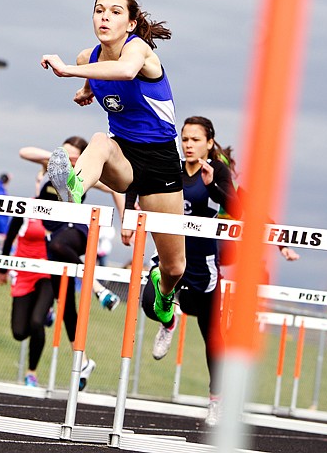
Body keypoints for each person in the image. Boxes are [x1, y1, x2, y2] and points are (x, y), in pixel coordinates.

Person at [41, 0, 185, 331]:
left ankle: (164, 297)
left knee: (175, 267)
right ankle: (74, 189)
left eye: (116, 11)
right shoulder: (85, 57)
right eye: (99, 10)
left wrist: (71, 76)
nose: (105, 16)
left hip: (161, 160)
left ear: (132, 23)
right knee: (99, 140)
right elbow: (99, 77)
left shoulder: (139, 50)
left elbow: (124, 72)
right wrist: (87, 90)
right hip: (124, 155)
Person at [127, 116, 241, 427]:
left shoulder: (217, 170)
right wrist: (131, 209)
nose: (188, 145)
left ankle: (216, 399)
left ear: (209, 142)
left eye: (194, 140)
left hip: (203, 263)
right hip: (170, 251)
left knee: (213, 337)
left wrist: (212, 186)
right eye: (184, 139)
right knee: (150, 300)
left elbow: (239, 208)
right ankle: (168, 320)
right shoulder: (172, 167)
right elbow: (138, 180)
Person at [20, 136, 121, 390]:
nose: (69, 161)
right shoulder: (47, 169)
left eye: (74, 156)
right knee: (66, 306)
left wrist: (126, 219)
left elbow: (117, 189)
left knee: (57, 246)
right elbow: (24, 151)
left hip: (74, 233)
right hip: (53, 237)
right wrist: (56, 158)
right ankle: (83, 360)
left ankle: (97, 287)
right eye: (66, 155)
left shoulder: (83, 173)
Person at [0, 214, 53, 387]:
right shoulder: (26, 211)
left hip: (47, 273)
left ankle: (31, 372)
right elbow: (9, 239)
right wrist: (2, 270)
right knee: (19, 333)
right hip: (23, 273)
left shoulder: (61, 213)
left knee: (36, 321)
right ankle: (45, 313)